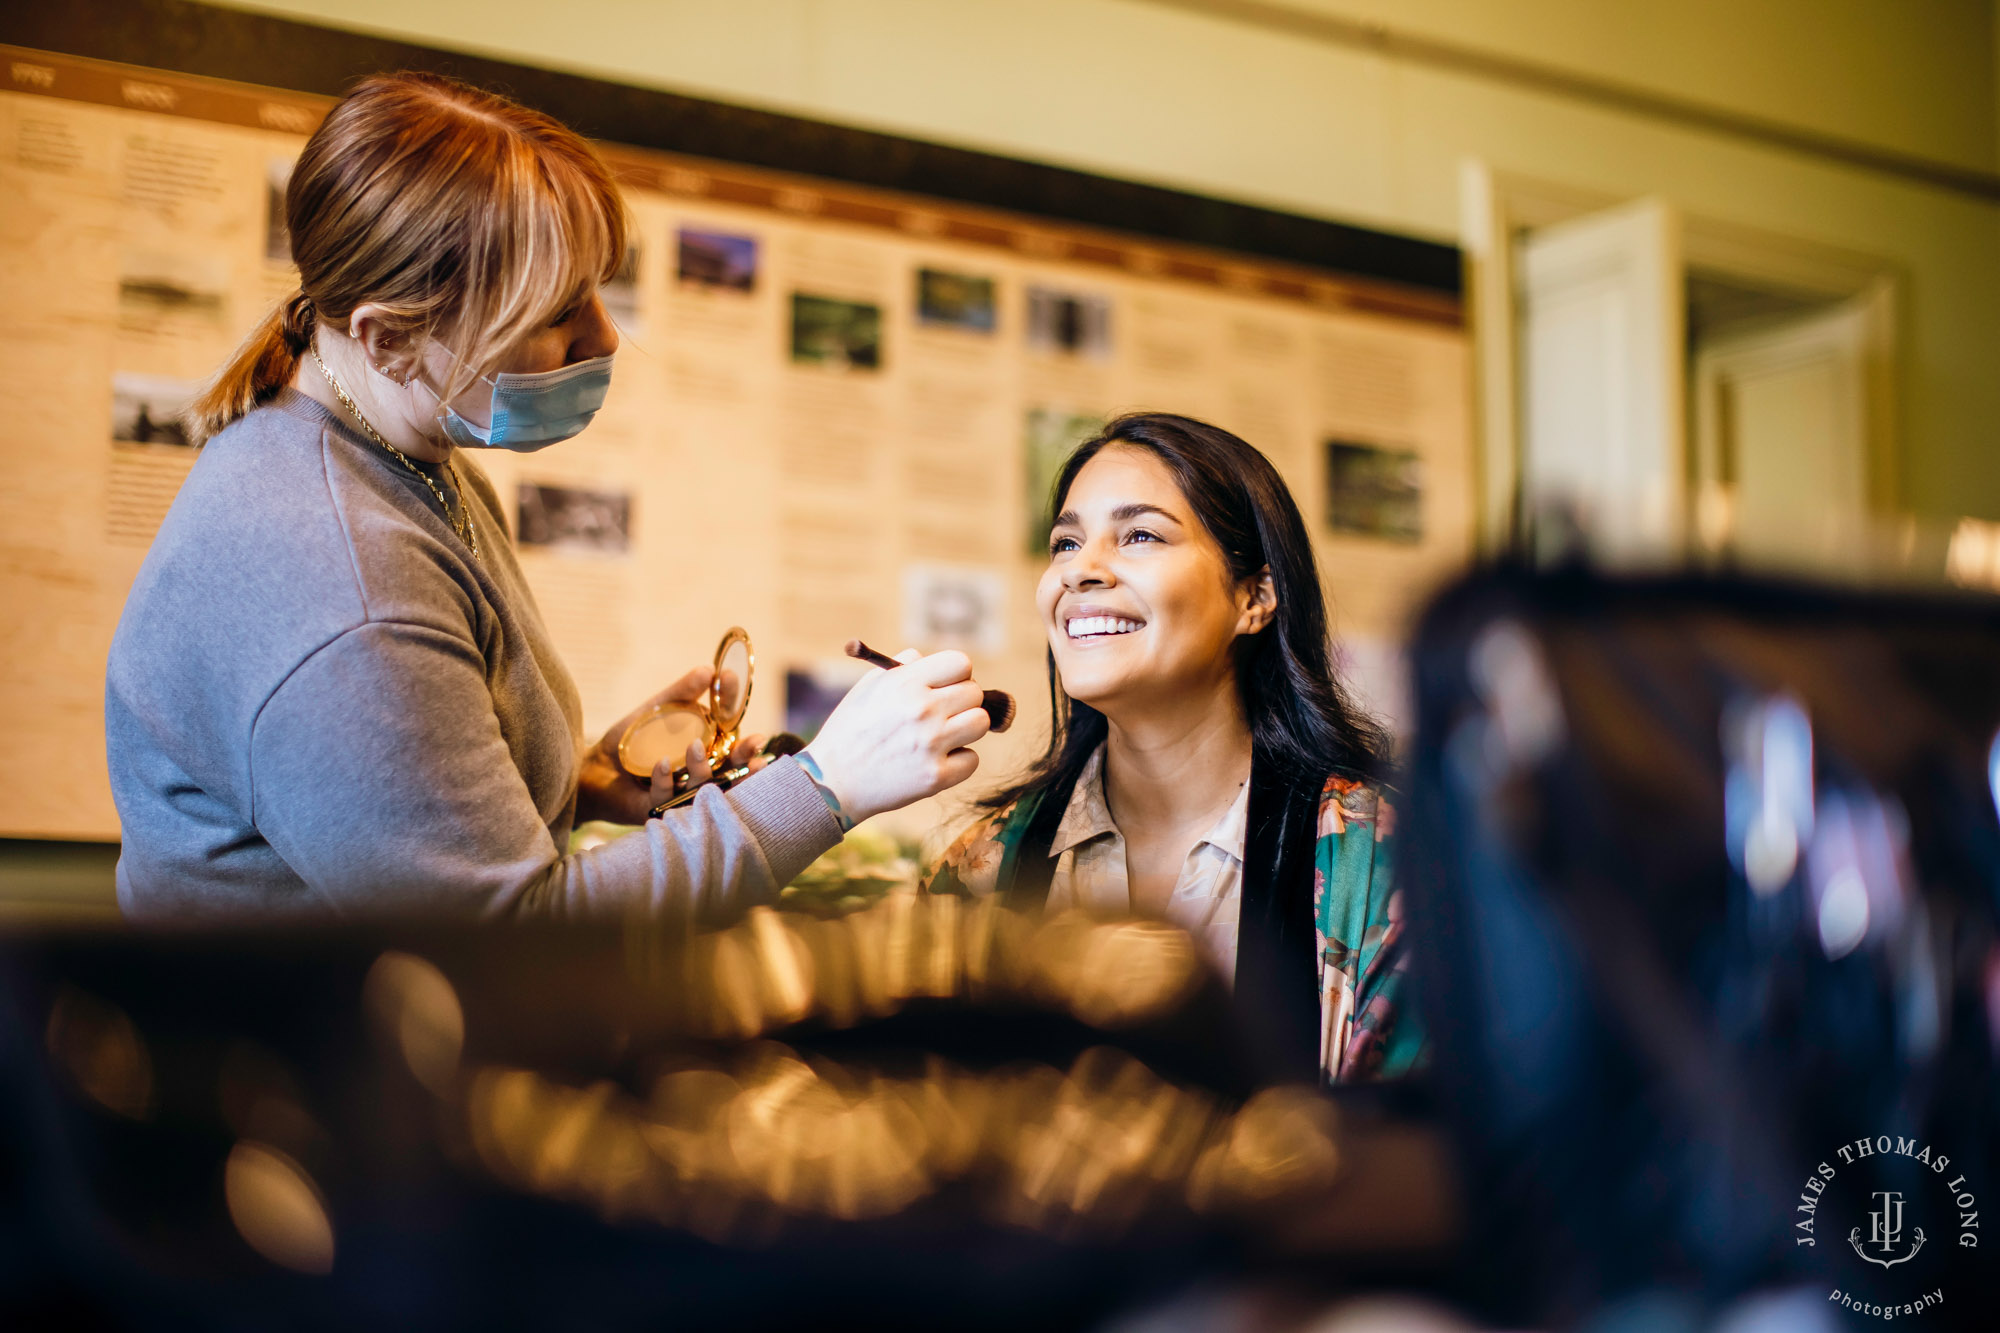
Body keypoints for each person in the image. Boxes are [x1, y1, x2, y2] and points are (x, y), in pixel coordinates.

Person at [105, 72, 991, 920]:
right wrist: (827, 786)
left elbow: (402, 811)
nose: (605, 336)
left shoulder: (404, 459)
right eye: (557, 314)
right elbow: (510, 939)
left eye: (595, 294)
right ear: (386, 338)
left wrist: (579, 777)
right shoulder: (338, 588)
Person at [924, 413, 1419, 1081]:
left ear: (1255, 596)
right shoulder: (983, 868)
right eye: (1065, 544)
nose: (1081, 571)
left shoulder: (1384, 862)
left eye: (1139, 534)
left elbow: (1423, 1154)